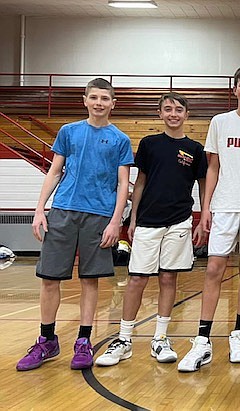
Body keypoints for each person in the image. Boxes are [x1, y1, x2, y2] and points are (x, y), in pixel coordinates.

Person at [16, 78, 134, 371]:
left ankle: (83, 341)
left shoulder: (120, 139)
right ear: (85, 100)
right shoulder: (68, 132)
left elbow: (123, 184)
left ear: (113, 104)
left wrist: (115, 221)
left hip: (98, 216)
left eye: (105, 99)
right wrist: (40, 209)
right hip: (63, 211)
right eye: (94, 97)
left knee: (89, 280)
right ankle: (46, 340)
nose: (99, 103)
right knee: (50, 278)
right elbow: (55, 171)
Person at [94, 92, 207, 367]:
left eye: (179, 109)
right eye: (168, 109)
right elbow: (140, 182)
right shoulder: (149, 144)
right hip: (146, 221)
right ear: (160, 114)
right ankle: (124, 339)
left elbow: (203, 184)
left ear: (186, 115)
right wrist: (132, 220)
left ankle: (160, 337)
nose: (173, 114)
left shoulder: (195, 149)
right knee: (137, 279)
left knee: (168, 279)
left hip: (179, 221)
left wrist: (204, 217)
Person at [177, 65, 240, 372]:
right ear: (235, 88)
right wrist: (205, 209)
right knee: (215, 267)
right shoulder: (220, 122)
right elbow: (212, 168)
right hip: (224, 205)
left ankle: (239, 332)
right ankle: (202, 338)